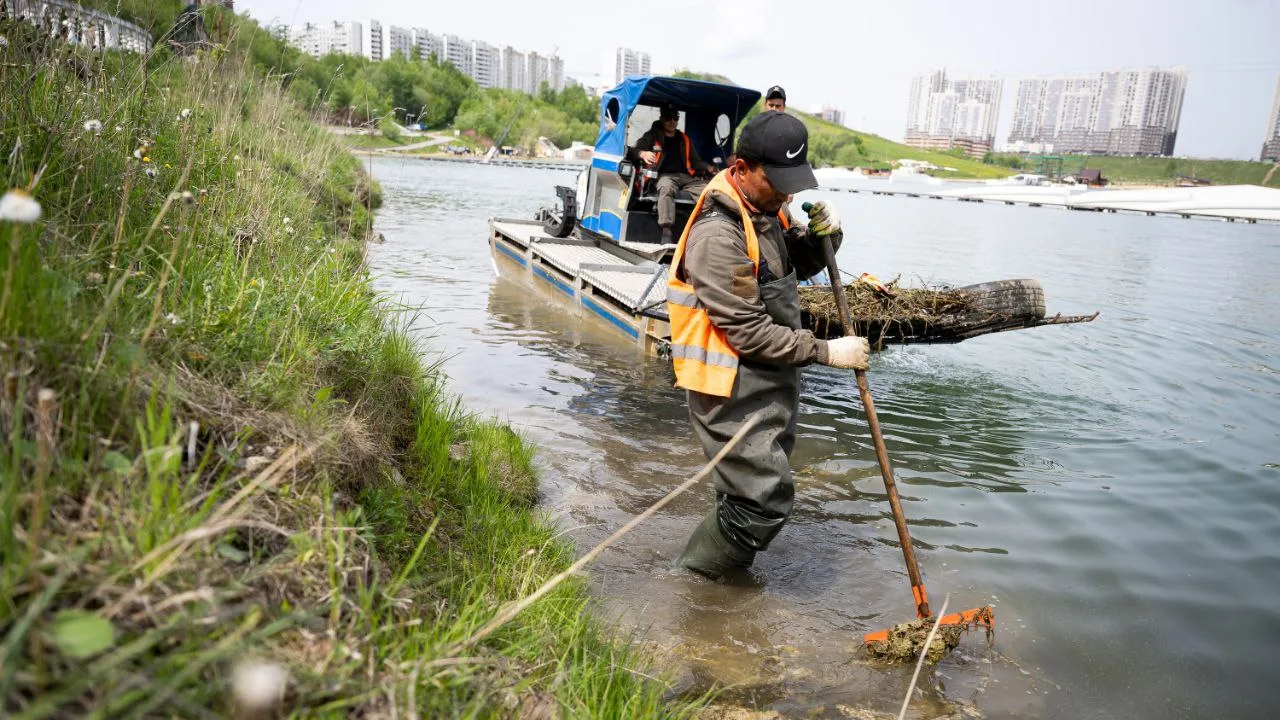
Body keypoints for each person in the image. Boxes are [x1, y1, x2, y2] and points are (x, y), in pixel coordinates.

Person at [667, 111, 870, 579]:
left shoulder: (765, 208)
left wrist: (825, 237)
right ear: (741, 168)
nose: (788, 195)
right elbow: (748, 331)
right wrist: (825, 351)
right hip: (730, 387)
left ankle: (722, 576)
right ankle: (692, 584)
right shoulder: (717, 235)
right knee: (763, 501)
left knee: (744, 491)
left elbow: (787, 266)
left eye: (792, 183)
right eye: (777, 182)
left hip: (767, 377)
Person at [629, 104, 717, 243]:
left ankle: (710, 228)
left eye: (675, 118)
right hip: (663, 176)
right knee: (666, 188)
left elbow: (696, 162)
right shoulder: (652, 135)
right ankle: (666, 231)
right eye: (668, 118)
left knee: (709, 191)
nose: (672, 121)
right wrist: (643, 153)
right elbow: (633, 151)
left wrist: (709, 167)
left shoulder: (684, 139)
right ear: (662, 118)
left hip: (686, 177)